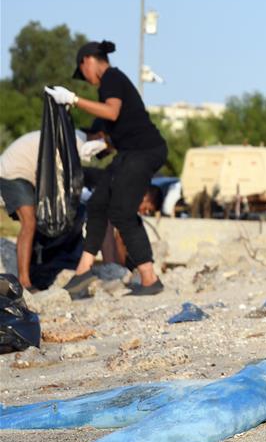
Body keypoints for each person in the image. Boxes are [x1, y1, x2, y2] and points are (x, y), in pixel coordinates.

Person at [44, 40, 168, 297]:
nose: (86, 80)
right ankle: (83, 270)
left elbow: (112, 113)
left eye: (83, 73)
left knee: (122, 212)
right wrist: (100, 144)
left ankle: (149, 278)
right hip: (128, 153)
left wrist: (74, 99)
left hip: (145, 151)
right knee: (97, 204)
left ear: (88, 61)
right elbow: (117, 127)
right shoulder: (108, 87)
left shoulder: (111, 78)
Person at [0, 129, 104, 291]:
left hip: (29, 174)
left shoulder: (74, 137)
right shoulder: (77, 142)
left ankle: (36, 270)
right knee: (29, 223)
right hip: (14, 171)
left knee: (41, 221)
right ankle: (24, 282)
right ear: (100, 136)